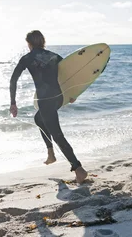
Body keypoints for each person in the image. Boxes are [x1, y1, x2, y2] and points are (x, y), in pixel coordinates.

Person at [9, 30, 88, 184]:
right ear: (43, 42)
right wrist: (73, 94)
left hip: (45, 100)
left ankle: (78, 168)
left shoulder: (27, 58)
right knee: (39, 118)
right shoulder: (54, 56)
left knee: (58, 135)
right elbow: (70, 75)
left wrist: (13, 102)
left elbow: (13, 80)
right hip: (58, 97)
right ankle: (51, 153)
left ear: (29, 44)